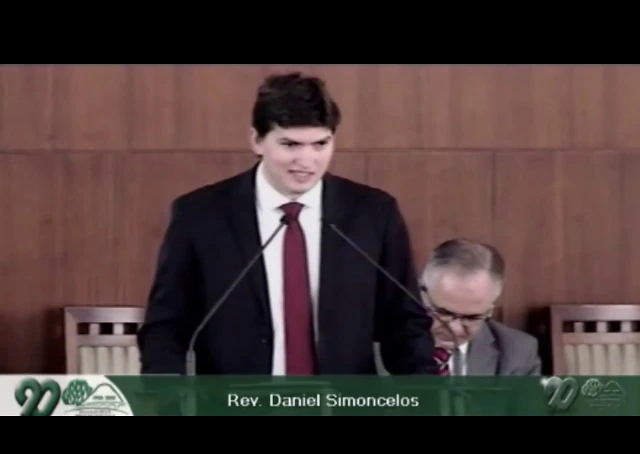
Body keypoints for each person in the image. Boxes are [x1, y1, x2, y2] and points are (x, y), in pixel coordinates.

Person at [137, 71, 437, 375]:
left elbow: (405, 324)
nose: (307, 161)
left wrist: (425, 392)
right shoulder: (200, 215)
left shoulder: (373, 213)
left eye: (320, 144)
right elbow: (167, 326)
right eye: (291, 145)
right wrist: (165, 392)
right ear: (257, 140)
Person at [418, 238, 540, 376]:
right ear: (420, 294)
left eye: (471, 318)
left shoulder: (519, 353)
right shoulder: (395, 341)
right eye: (443, 312)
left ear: (489, 310)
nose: (455, 329)